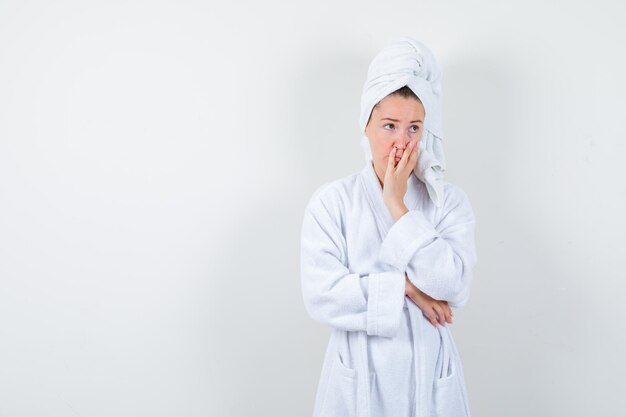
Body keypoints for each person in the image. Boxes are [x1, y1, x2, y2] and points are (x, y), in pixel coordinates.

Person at [300, 37, 478, 417]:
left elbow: (455, 285)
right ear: (365, 126)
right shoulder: (331, 203)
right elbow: (322, 293)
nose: (402, 142)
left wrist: (398, 207)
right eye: (389, 125)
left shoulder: (449, 203)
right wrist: (409, 289)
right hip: (357, 383)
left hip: (430, 382)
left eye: (414, 127)